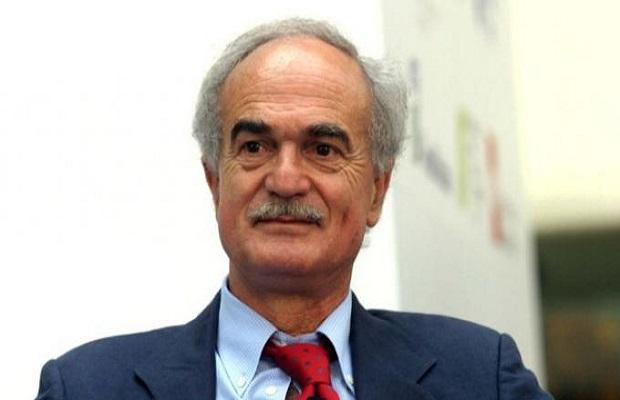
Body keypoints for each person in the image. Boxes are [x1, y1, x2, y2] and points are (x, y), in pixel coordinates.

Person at [35, 18, 552, 400]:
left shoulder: (480, 377)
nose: (285, 180)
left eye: (322, 149)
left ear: (377, 190)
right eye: (255, 147)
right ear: (215, 181)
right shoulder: (85, 387)